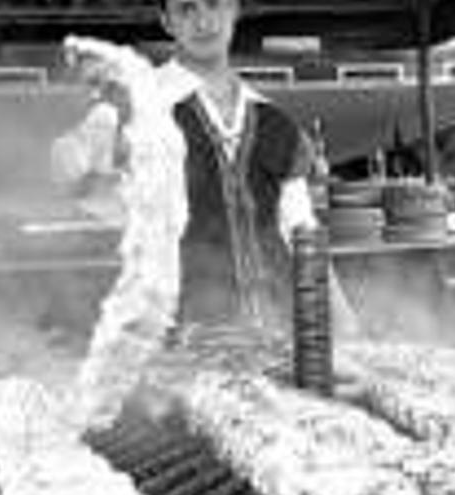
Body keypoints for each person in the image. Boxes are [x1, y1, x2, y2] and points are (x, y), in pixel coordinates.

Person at [55, 0, 360, 390]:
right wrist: (77, 154)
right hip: (184, 353)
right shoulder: (139, 103)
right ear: (167, 20)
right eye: (187, 8)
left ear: (235, 10)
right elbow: (78, 169)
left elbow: (302, 233)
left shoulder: (275, 122)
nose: (204, 21)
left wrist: (347, 326)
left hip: (283, 345)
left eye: (215, 5)